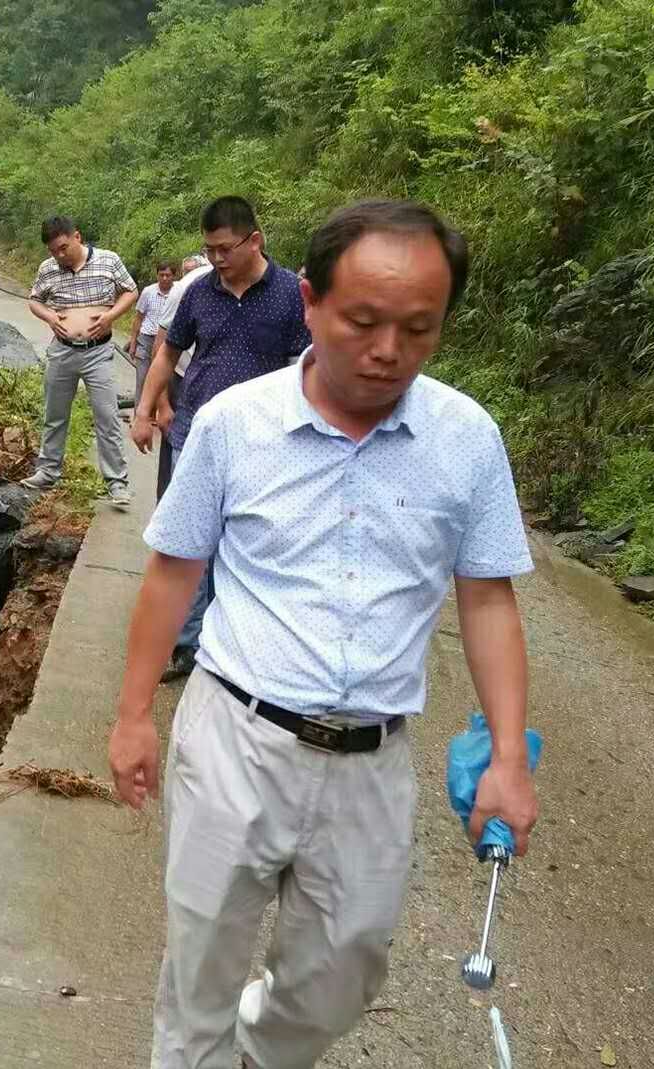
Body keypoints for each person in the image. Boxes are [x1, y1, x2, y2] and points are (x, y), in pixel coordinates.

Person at [108, 199, 539, 1069]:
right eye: (363, 321)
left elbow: (487, 600)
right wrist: (131, 715)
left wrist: (506, 755)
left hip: (371, 761)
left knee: (341, 977)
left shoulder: (465, 439)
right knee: (200, 975)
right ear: (309, 300)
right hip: (236, 735)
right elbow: (173, 572)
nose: (388, 351)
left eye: (419, 329)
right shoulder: (235, 423)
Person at [132, 196, 311, 681]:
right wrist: (147, 410)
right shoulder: (199, 292)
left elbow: (306, 366)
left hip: (265, 440)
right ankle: (188, 646)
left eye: (224, 249)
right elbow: (168, 354)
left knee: (245, 542)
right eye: (209, 250)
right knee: (190, 542)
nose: (215, 259)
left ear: (255, 240)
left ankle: (233, 639)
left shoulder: (292, 294)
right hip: (196, 431)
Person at [22, 215, 138, 507]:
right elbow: (35, 299)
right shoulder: (48, 269)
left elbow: (131, 291)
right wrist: (50, 316)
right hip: (62, 351)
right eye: (53, 251)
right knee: (54, 413)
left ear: (77, 237)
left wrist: (111, 316)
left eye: (63, 247)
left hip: (98, 351)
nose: (59, 255)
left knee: (107, 415)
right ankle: (48, 471)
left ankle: (116, 482)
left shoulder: (108, 261)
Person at [149, 253, 209, 500]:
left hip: (231, 389)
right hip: (182, 380)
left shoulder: (275, 290)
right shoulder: (189, 288)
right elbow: (161, 346)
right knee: (174, 451)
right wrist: (160, 405)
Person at [128, 260, 178, 403]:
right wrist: (133, 343)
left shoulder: (178, 293)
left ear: (173, 276)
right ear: (157, 275)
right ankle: (138, 418)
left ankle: (157, 417)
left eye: (168, 275)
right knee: (142, 380)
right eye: (161, 275)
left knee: (165, 382)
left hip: (167, 342)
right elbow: (138, 318)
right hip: (146, 339)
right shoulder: (148, 292)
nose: (164, 278)